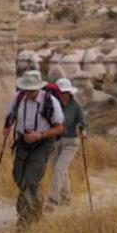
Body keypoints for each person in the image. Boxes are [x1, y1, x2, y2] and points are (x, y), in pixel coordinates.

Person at [2, 70, 64, 229]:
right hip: (22, 142)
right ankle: (37, 208)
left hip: (42, 144)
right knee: (18, 176)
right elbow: (10, 115)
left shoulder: (50, 102)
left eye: (32, 90)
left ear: (38, 88)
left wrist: (40, 135)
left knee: (29, 181)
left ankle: (24, 221)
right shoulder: (18, 98)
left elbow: (59, 128)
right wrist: (7, 127)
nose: (29, 93)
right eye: (27, 90)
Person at [46, 78, 88, 209]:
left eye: (66, 92)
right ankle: (66, 198)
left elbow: (82, 122)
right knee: (59, 170)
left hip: (70, 142)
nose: (64, 95)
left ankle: (52, 200)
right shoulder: (52, 104)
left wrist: (83, 130)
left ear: (70, 92)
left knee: (59, 168)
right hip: (55, 141)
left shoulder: (76, 106)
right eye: (61, 92)